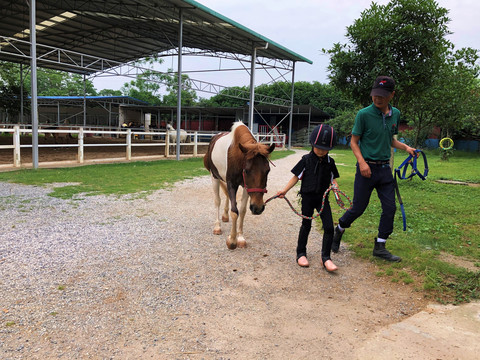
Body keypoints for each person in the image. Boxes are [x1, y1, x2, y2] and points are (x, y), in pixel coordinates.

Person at [332, 76, 416, 262]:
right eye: (375, 94)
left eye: (383, 95)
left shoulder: (395, 114)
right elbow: (354, 142)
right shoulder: (363, 114)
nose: (378, 98)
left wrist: (406, 148)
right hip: (366, 169)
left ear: (392, 95)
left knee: (390, 208)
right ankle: (338, 231)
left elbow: (390, 139)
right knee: (358, 208)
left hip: (385, 169)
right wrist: (362, 163)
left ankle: (380, 245)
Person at [277, 124, 340, 272]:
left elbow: (334, 179)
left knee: (329, 227)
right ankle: (301, 253)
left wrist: (336, 189)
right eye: (318, 147)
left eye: (325, 149)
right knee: (306, 225)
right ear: (312, 144)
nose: (322, 151)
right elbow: (295, 177)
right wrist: (284, 191)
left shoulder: (330, 162)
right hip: (307, 198)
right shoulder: (305, 160)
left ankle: (326, 258)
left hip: (322, 199)